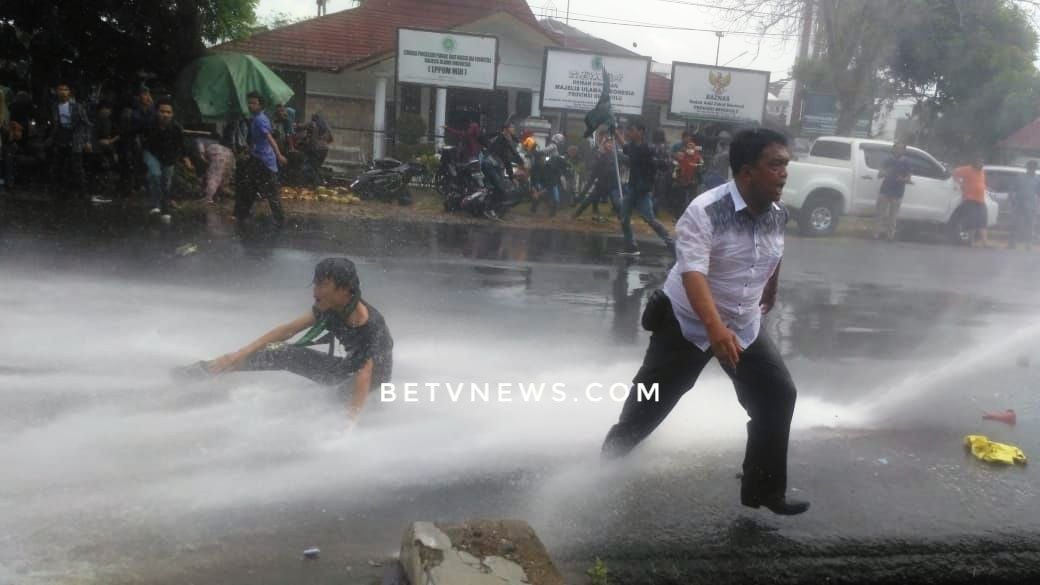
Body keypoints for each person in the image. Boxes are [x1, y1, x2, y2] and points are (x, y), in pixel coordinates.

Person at [601, 128, 808, 516]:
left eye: (786, 165)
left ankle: (763, 489)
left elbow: (774, 253)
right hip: (687, 325)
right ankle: (601, 471)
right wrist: (715, 331)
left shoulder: (778, 214)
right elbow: (692, 273)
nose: (784, 173)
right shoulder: (705, 211)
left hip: (743, 323)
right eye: (775, 164)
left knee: (778, 395)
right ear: (747, 172)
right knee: (646, 409)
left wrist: (771, 289)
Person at [185, 257, 393, 426]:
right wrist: (238, 354)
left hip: (368, 381)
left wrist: (348, 425)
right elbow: (287, 331)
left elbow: (365, 374)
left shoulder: (367, 324)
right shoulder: (330, 308)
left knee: (333, 401)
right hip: (346, 368)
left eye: (322, 285)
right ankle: (212, 369)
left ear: (344, 289)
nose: (315, 291)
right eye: (316, 284)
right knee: (282, 351)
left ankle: (344, 415)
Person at [615, 117, 674, 256]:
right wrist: (616, 134)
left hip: (643, 190)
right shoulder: (633, 146)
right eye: (629, 130)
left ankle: (672, 245)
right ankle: (631, 246)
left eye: (632, 130)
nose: (629, 132)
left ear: (641, 132)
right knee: (624, 218)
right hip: (632, 188)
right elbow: (625, 147)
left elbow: (664, 164)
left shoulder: (649, 148)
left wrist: (654, 164)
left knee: (650, 220)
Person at [234, 91, 288, 226]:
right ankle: (242, 215)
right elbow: (258, 140)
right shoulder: (257, 118)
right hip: (257, 158)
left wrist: (279, 155)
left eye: (253, 103)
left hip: (264, 161)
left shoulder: (259, 120)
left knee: (269, 191)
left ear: (260, 105)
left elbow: (269, 139)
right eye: (249, 103)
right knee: (250, 187)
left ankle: (279, 219)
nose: (250, 106)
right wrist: (249, 149)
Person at [46, 82, 100, 203]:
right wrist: (51, 138)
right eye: (60, 89)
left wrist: (87, 141)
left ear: (69, 92)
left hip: (74, 137)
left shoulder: (76, 106)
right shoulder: (55, 106)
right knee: (59, 166)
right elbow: (56, 124)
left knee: (77, 166)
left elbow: (86, 124)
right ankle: (62, 191)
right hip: (61, 138)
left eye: (65, 89)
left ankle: (82, 192)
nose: (63, 92)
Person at [141, 98, 192, 221]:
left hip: (169, 157)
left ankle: (165, 207)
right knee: (155, 174)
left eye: (168, 112)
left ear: (172, 114)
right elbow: (143, 140)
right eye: (162, 111)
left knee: (166, 183)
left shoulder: (176, 128)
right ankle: (155, 206)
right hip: (151, 153)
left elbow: (182, 145)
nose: (165, 114)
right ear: (157, 112)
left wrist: (186, 158)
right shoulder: (149, 124)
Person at [481, 118, 525, 220]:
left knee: (500, 188)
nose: (513, 129)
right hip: (489, 165)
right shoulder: (501, 139)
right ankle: (488, 210)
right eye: (511, 127)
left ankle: (491, 209)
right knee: (500, 188)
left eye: (513, 127)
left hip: (494, 165)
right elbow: (508, 158)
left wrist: (513, 174)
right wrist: (514, 172)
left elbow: (511, 155)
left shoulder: (505, 140)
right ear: (506, 129)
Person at [573, 136, 621, 221]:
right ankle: (575, 215)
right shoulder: (599, 157)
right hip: (601, 185)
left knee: (617, 204)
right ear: (604, 145)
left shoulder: (617, 157)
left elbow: (628, 160)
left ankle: (623, 219)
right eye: (607, 143)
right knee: (588, 201)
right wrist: (581, 195)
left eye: (611, 143)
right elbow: (592, 176)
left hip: (613, 186)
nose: (610, 144)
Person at [874, 141, 913, 241]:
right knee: (880, 214)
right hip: (885, 190)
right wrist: (886, 173)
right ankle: (876, 234)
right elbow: (879, 174)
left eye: (901, 148)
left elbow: (909, 179)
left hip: (897, 192)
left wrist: (902, 179)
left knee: (893, 217)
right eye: (897, 148)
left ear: (904, 150)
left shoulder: (907, 162)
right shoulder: (888, 160)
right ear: (893, 149)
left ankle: (890, 236)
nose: (898, 150)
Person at [952, 157, 989, 247]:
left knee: (982, 222)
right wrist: (960, 184)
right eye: (979, 162)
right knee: (972, 222)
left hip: (981, 200)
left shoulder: (982, 171)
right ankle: (971, 242)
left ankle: (985, 243)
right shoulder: (967, 169)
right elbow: (954, 173)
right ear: (974, 163)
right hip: (970, 199)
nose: (981, 164)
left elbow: (981, 183)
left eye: (982, 163)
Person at [1009, 160, 1040, 251]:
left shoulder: (1038, 179)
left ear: (1035, 168)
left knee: (1029, 225)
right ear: (1027, 168)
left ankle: (1028, 244)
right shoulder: (1020, 177)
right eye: (1030, 167)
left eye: (1034, 168)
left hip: (1031, 206)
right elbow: (1012, 189)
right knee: (1015, 223)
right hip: (1019, 204)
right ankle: (1012, 243)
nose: (1032, 169)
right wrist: (1012, 200)